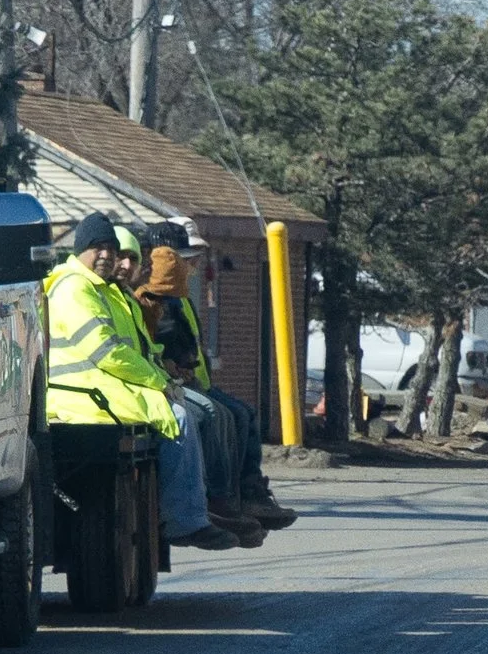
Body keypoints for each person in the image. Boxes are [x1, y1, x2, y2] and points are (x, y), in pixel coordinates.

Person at [41, 212, 238, 551]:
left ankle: (200, 507)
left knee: (187, 411)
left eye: (111, 248)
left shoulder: (104, 290)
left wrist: (162, 375)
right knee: (178, 418)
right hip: (80, 397)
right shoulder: (74, 288)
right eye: (96, 247)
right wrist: (159, 382)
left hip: (103, 390)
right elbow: (107, 352)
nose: (106, 255)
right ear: (80, 249)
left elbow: (138, 348)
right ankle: (185, 521)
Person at [134, 228, 297, 532]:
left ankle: (244, 496)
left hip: (188, 380)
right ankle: (215, 500)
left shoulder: (177, 297)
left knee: (241, 412)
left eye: (193, 257)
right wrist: (168, 368)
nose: (192, 264)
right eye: (185, 257)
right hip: (161, 384)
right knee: (215, 414)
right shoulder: (147, 298)